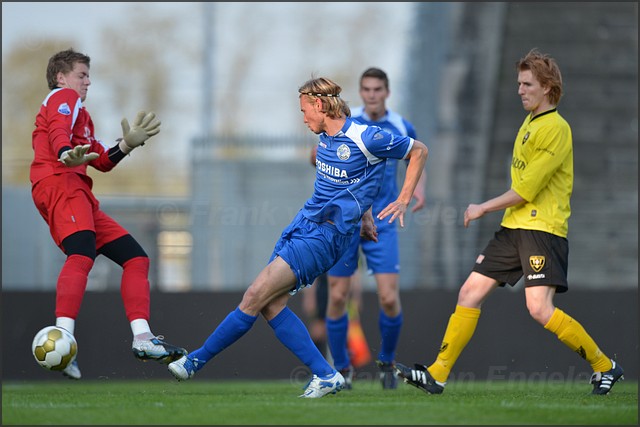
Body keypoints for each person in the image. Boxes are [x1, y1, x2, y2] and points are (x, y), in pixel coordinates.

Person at [167, 76, 428, 398]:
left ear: (320, 105)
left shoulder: (366, 136)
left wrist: (402, 199)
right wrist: (364, 214)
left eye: (305, 110)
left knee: (254, 295)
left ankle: (195, 360)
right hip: (302, 225)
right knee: (270, 304)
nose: (303, 118)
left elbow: (419, 150)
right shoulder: (325, 140)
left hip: (325, 237)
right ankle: (326, 374)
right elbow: (358, 183)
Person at [394, 48, 624, 396]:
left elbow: (527, 189)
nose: (520, 89)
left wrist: (482, 208)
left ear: (547, 87)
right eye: (518, 83)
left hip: (542, 229)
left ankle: (604, 365)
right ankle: (438, 374)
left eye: (528, 84)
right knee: (469, 292)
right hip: (515, 227)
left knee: (539, 309)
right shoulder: (530, 122)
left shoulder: (556, 128)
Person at [30, 48, 187, 379]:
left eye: (88, 75)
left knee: (135, 258)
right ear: (61, 77)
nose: (88, 81)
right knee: (82, 253)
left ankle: (143, 338)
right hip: (60, 183)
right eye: (81, 74)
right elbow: (59, 134)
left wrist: (127, 145)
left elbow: (100, 161)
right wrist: (63, 153)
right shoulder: (64, 97)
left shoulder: (82, 115)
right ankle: (63, 336)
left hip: (79, 192)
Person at [320, 67, 426, 390]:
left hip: (383, 221)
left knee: (388, 298)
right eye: (366, 89)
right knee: (337, 296)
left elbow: (417, 156)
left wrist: (416, 191)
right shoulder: (350, 124)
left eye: (378, 89)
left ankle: (387, 362)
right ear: (361, 92)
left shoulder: (399, 125)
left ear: (387, 92)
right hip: (347, 222)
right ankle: (342, 370)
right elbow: (321, 154)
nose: (372, 94)